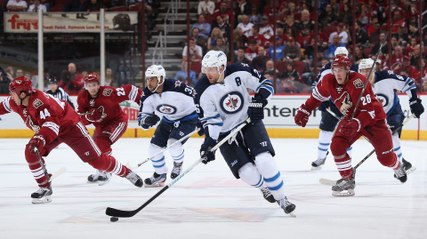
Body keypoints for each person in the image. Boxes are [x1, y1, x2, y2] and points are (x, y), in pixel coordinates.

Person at [0, 76, 143, 204]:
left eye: (13, 93)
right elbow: (2, 106)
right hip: (51, 128)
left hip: (71, 127)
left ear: (23, 93)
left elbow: (52, 126)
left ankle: (127, 172)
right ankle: (44, 187)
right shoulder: (15, 101)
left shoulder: (40, 102)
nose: (11, 96)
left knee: (97, 161)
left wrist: (41, 138)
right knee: (31, 151)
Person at [194, 50, 296, 215]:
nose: (208, 73)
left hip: (248, 122)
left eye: (211, 69)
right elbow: (212, 121)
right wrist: (209, 144)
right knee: (246, 172)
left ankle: (282, 199)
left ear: (222, 67)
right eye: (205, 69)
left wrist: (258, 101)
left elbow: (266, 85)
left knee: (264, 160)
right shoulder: (201, 91)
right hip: (225, 133)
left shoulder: (239, 70)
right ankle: (264, 187)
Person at [294, 55, 407, 197]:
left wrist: (357, 123)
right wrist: (305, 110)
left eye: (341, 70)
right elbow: (316, 97)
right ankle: (347, 178)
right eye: (335, 69)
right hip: (351, 119)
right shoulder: (328, 80)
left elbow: (369, 111)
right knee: (337, 145)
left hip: (374, 121)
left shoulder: (359, 81)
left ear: (348, 70)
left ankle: (397, 166)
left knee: (385, 159)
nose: (337, 73)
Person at [358, 58, 424, 172]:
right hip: (374, 118)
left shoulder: (386, 77)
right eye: (362, 71)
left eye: (368, 70)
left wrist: (414, 101)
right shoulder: (356, 85)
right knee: (382, 144)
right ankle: (402, 161)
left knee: (392, 134)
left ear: (373, 70)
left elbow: (408, 82)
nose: (365, 73)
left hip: (392, 112)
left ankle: (399, 167)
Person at [77, 72, 143, 184]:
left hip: (117, 122)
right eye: (89, 85)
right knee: (95, 148)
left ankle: (107, 171)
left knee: (102, 143)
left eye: (94, 85)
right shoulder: (82, 98)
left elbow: (130, 89)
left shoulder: (108, 93)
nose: (92, 88)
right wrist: (89, 117)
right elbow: (80, 119)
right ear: (85, 86)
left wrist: (144, 101)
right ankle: (102, 170)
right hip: (101, 126)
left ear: (98, 85)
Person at [138, 65, 198, 187]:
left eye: (152, 79)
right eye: (147, 79)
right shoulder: (147, 94)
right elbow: (142, 119)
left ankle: (178, 164)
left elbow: (198, 97)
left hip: (188, 119)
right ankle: (160, 174)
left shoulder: (176, 87)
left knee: (173, 143)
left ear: (160, 78)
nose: (149, 82)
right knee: (153, 148)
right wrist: (147, 121)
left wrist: (204, 116)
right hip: (168, 120)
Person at [311, 47, 355, 170]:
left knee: (347, 133)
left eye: (343, 55)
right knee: (325, 131)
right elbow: (316, 85)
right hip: (332, 105)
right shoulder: (325, 70)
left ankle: (348, 160)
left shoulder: (354, 69)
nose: (341, 57)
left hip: (349, 106)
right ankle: (321, 157)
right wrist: (321, 100)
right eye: (339, 55)